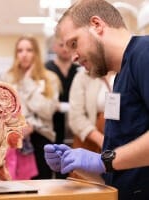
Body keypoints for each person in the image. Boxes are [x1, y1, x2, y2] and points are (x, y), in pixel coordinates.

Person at [44, 0, 149, 199]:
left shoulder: (144, 53)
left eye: (74, 43)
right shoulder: (121, 75)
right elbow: (118, 175)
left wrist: (104, 160)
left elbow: (111, 162)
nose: (73, 56)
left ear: (97, 25)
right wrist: (79, 164)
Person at [0, 35, 60, 180]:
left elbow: (47, 111)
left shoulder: (49, 78)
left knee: (40, 186)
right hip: (15, 139)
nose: (24, 54)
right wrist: (18, 126)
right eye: (20, 50)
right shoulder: (7, 78)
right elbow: (2, 110)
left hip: (41, 136)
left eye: (29, 50)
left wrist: (28, 82)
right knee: (15, 187)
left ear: (36, 53)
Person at [68, 70, 115, 178]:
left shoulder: (125, 72)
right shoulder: (82, 77)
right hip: (88, 142)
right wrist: (102, 140)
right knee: (86, 186)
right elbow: (76, 116)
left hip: (119, 142)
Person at [45, 35, 79, 145]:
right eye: (61, 45)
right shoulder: (46, 69)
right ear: (54, 47)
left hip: (75, 121)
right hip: (51, 122)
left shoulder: (80, 70)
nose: (65, 49)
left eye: (69, 45)